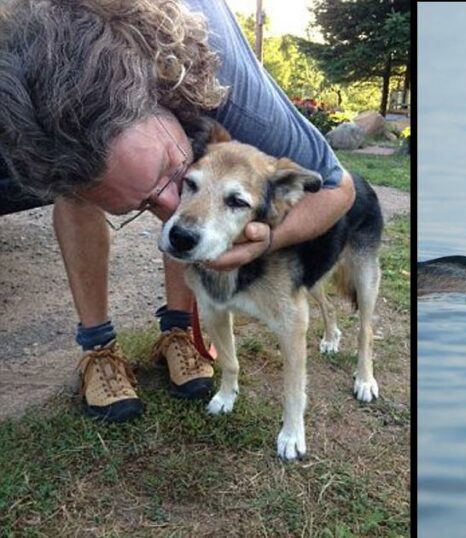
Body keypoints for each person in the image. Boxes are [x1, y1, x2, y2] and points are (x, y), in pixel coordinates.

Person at [0, 0, 356, 422]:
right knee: (80, 182)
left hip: (176, 52)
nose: (175, 213)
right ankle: (98, 347)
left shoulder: (226, 78)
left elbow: (338, 187)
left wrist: (268, 242)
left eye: (175, 172)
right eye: (146, 204)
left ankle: (179, 330)